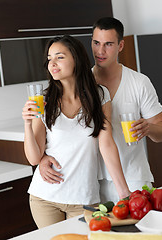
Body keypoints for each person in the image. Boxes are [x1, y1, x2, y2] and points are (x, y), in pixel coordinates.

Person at [39, 17, 162, 203]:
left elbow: (159, 132)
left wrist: (149, 128)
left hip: (133, 176)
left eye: (108, 44)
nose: (100, 51)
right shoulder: (77, 84)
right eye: (96, 43)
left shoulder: (139, 83)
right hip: (91, 182)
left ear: (120, 46)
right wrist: (42, 158)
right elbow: (60, 133)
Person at [22, 35, 130, 228]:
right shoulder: (44, 101)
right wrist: (27, 125)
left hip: (83, 198)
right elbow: (33, 158)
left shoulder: (100, 95)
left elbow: (106, 144)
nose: (52, 63)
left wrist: (124, 192)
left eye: (59, 57)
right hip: (44, 198)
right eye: (49, 58)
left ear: (76, 59)